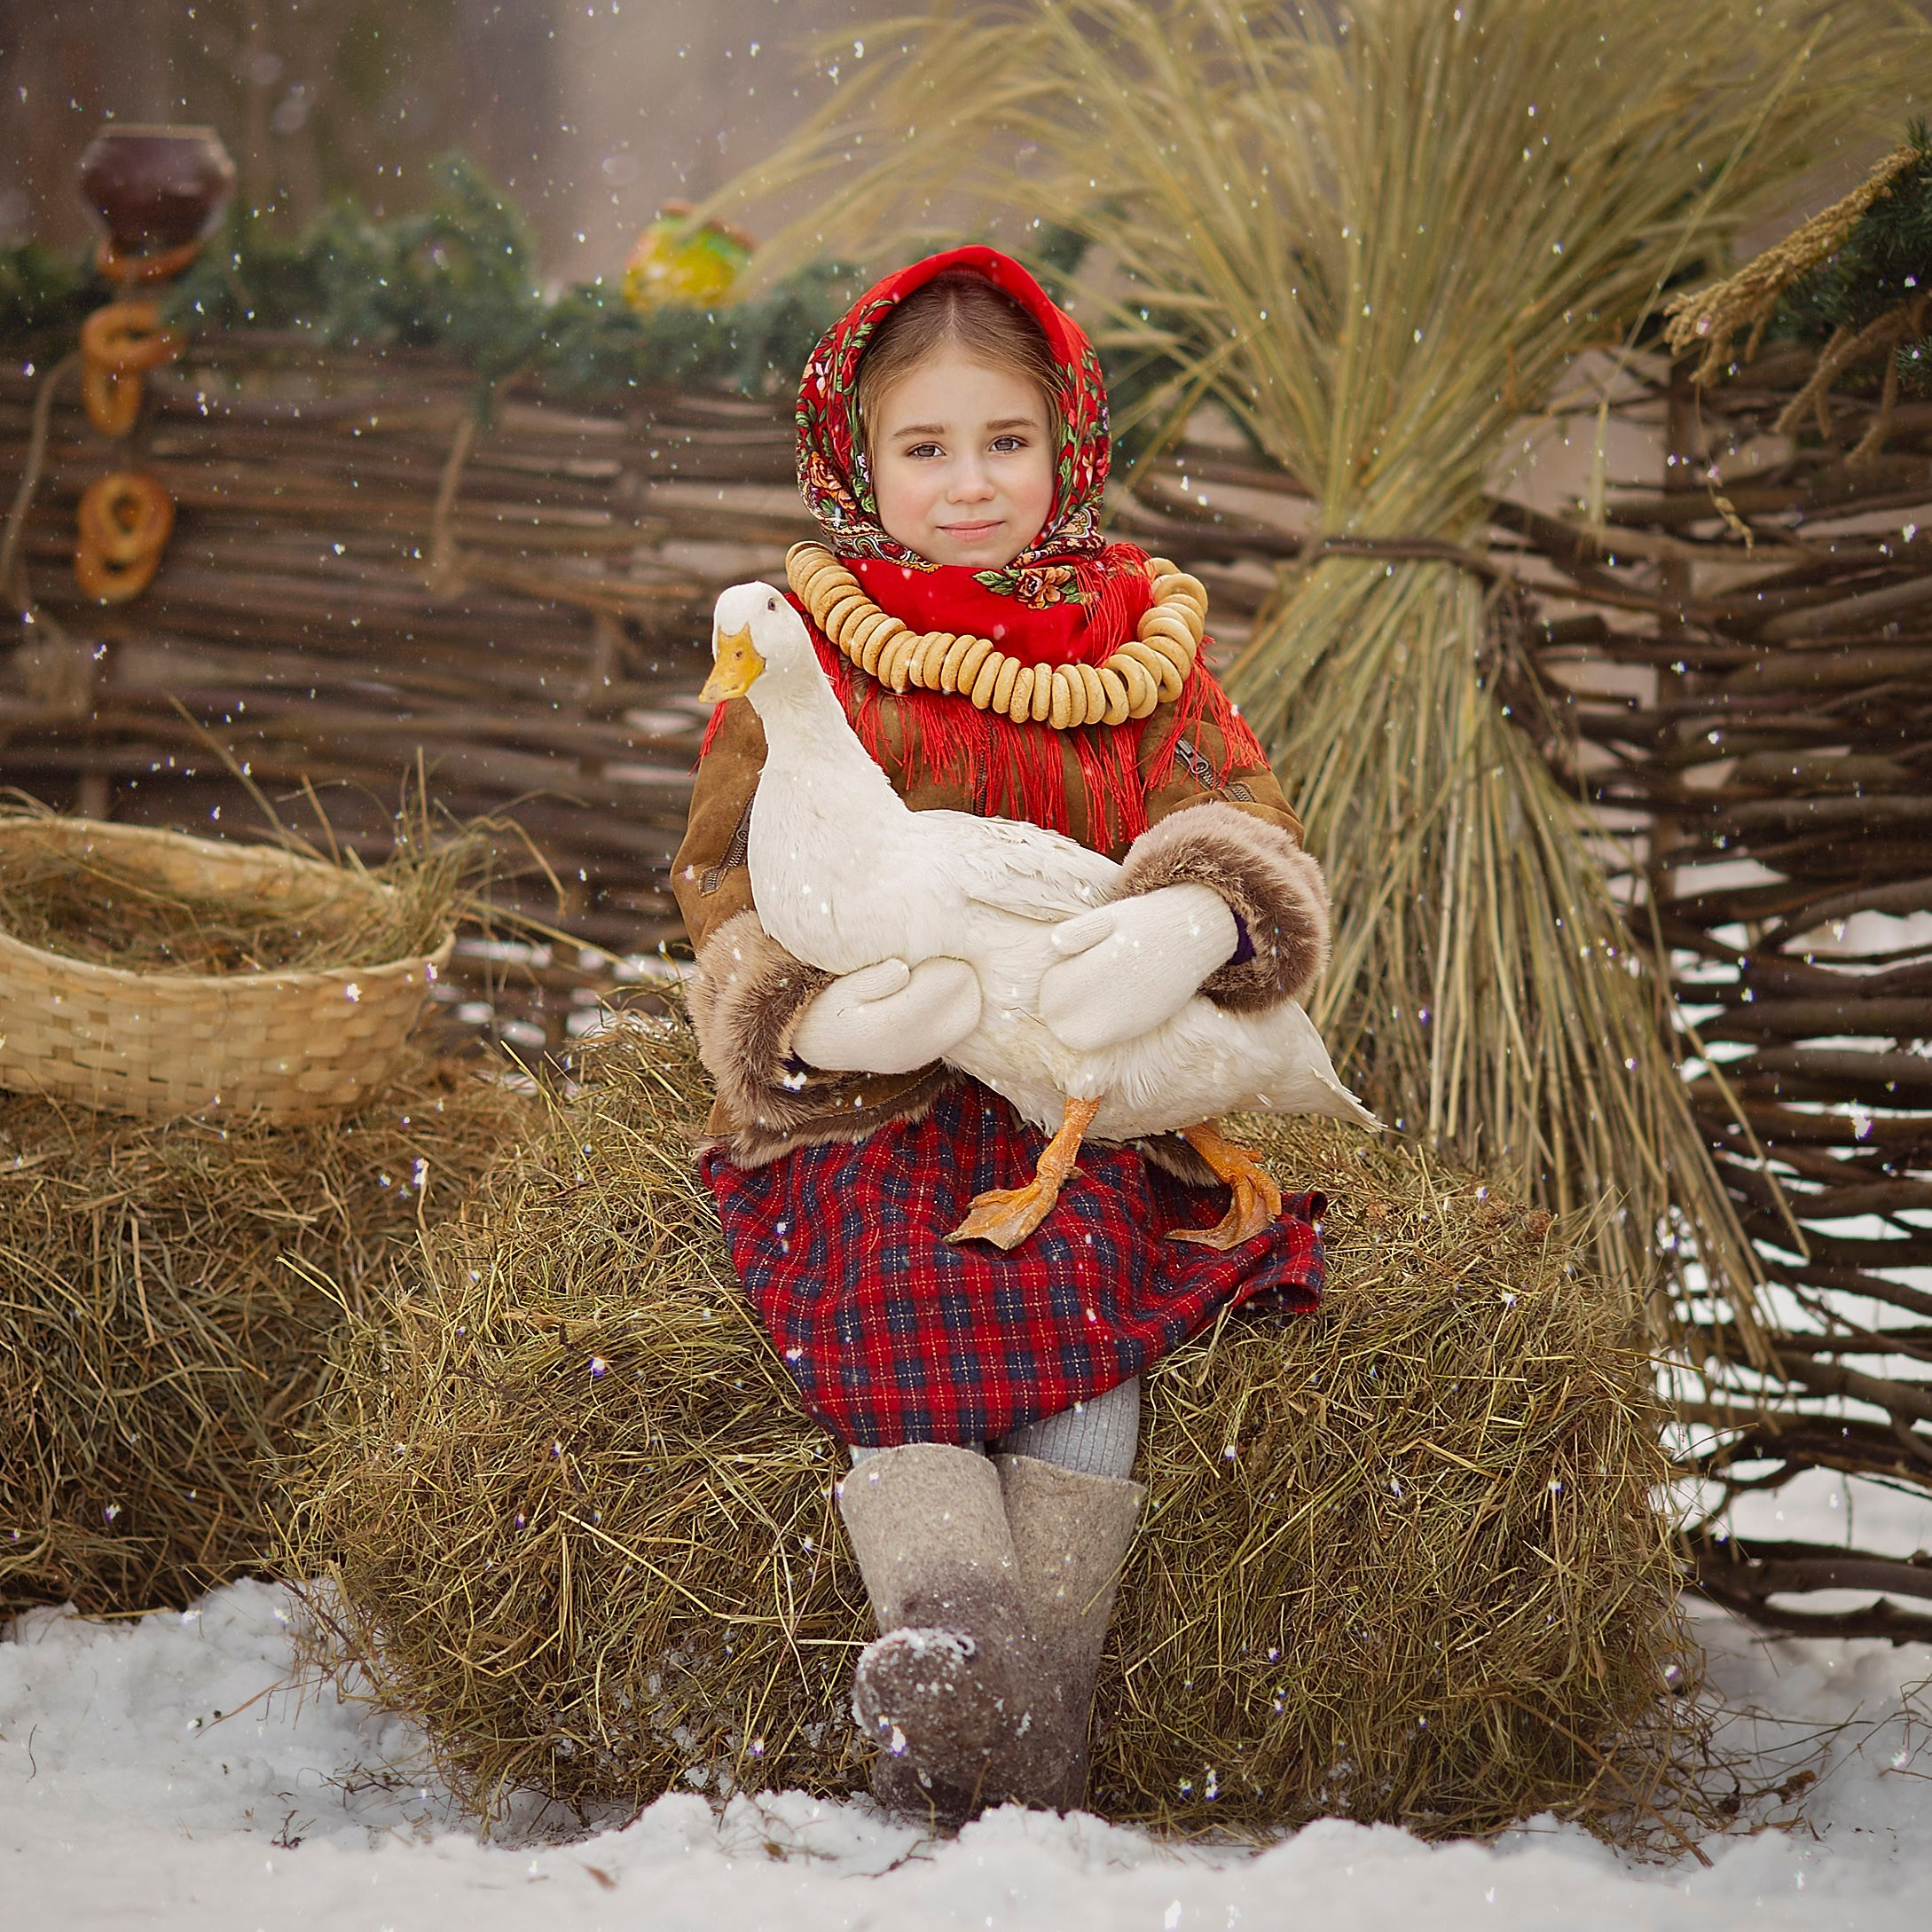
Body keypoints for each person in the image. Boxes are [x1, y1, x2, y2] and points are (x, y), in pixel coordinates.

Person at [671, 247, 1331, 1826]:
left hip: (1086, 1086)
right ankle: (955, 1620)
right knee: (883, 1277)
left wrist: (1201, 910)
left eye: (1006, 444)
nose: (970, 487)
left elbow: (1237, 811)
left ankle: (1031, 1691)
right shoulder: (800, 653)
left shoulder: (1135, 647)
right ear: (858, 460)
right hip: (886, 1093)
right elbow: (715, 872)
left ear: (1067, 445)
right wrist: (805, 1012)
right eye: (924, 448)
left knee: (1093, 1291)